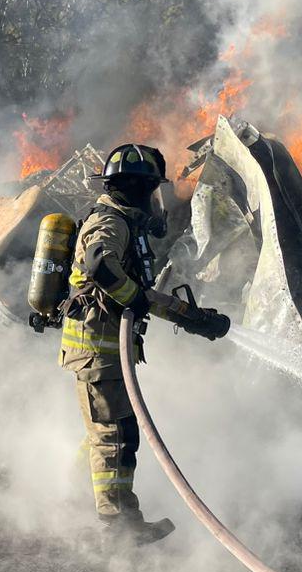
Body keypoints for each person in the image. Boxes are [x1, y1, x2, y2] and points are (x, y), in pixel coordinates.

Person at [60, 143, 230, 542]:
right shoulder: (111, 223)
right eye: (151, 190)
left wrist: (192, 317)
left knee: (102, 430)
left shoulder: (121, 222)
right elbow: (101, 266)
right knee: (116, 435)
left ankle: (71, 500)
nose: (155, 200)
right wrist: (138, 298)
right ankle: (118, 525)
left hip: (102, 350)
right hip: (97, 349)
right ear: (135, 189)